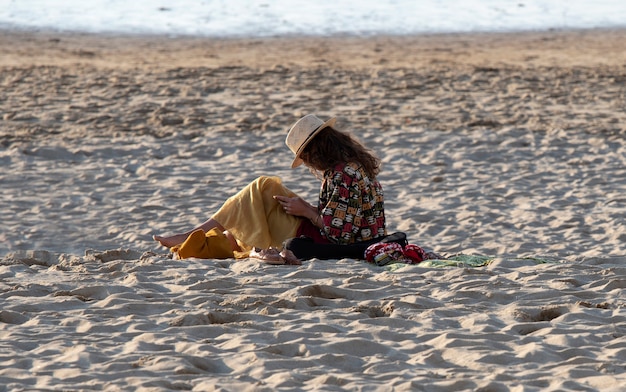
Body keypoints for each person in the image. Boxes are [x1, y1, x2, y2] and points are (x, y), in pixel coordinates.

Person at [153, 114, 387, 261]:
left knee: (261, 191)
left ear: (315, 150)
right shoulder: (353, 166)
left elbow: (341, 235)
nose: (306, 163)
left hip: (333, 242)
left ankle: (198, 235)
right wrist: (306, 209)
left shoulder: (341, 175)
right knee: (264, 190)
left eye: (304, 157)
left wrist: (306, 211)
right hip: (346, 235)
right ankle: (211, 236)